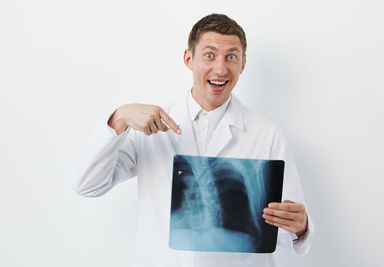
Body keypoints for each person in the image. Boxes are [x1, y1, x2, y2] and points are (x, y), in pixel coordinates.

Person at [72, 13, 314, 267]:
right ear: (189, 59)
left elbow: (288, 231)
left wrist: (300, 226)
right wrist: (118, 119)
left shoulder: (267, 134)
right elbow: (86, 184)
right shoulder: (148, 128)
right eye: (209, 55)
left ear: (242, 64)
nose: (220, 69)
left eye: (231, 56)